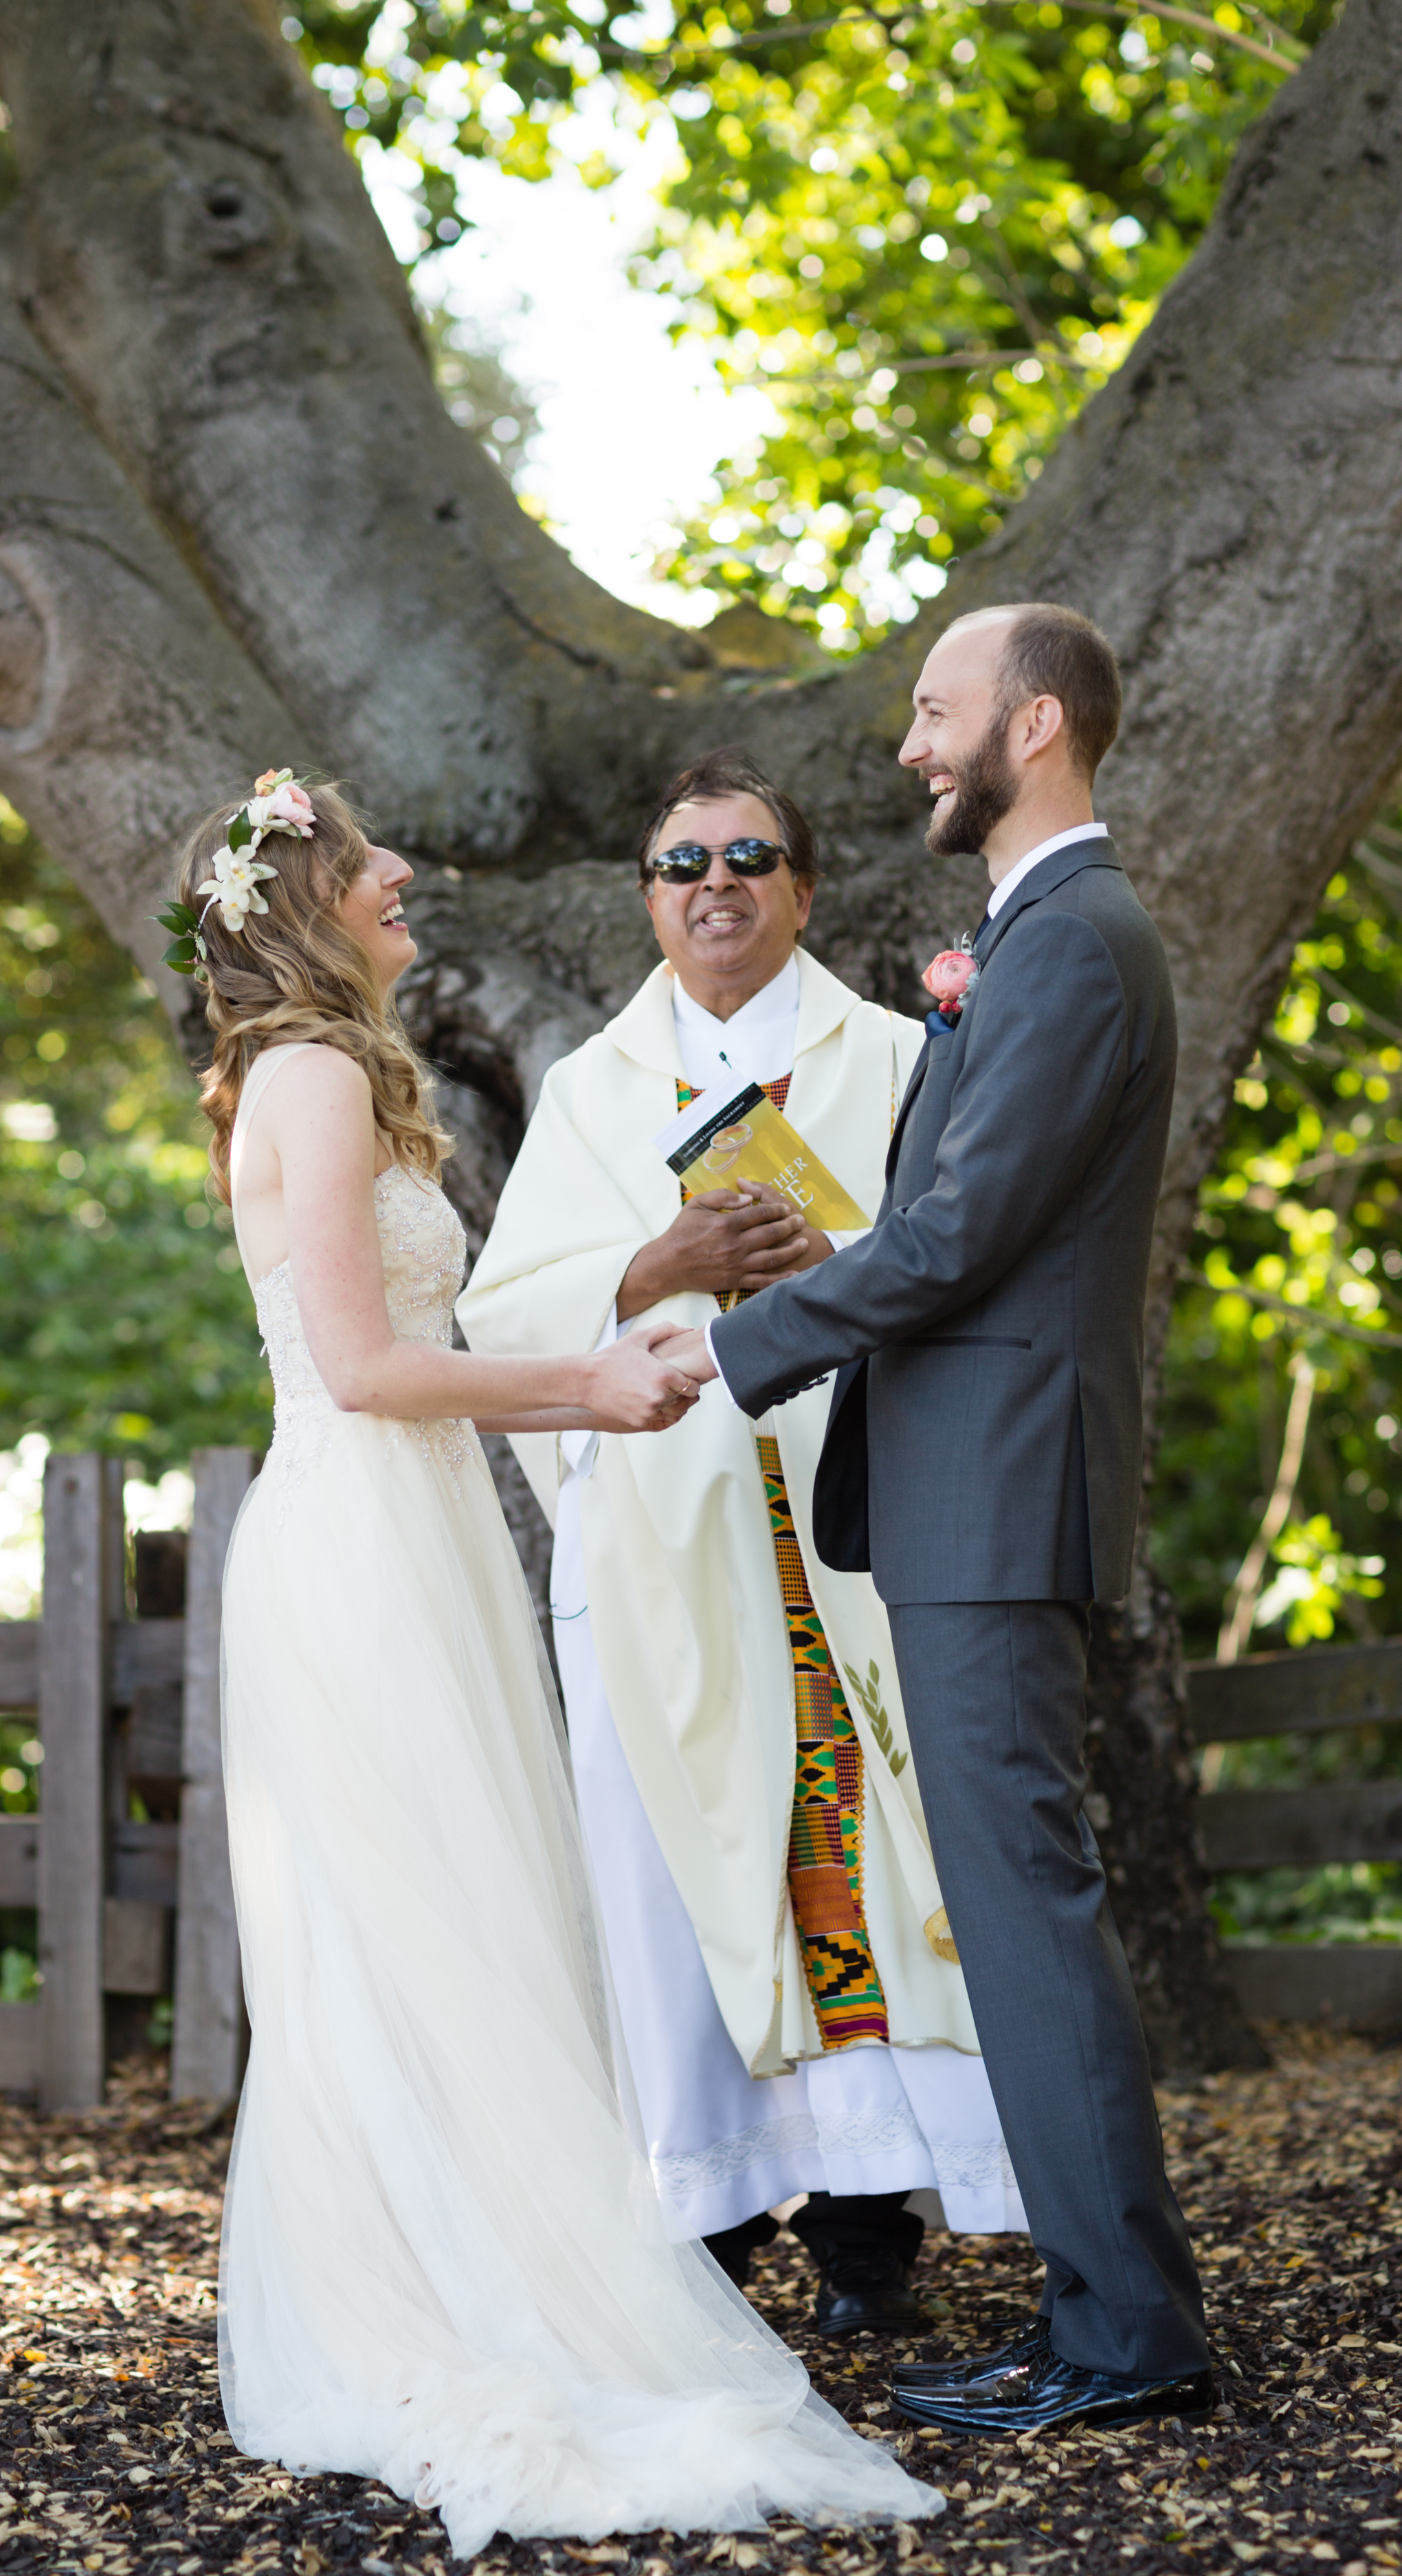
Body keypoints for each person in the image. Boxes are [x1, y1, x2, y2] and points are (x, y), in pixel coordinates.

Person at [168, 771, 940, 2553]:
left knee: (463, 1919)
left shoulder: (333, 1071)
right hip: (359, 1537)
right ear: (308, 895)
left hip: (406, 1533)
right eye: (371, 860)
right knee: (419, 1926)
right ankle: (448, 2302)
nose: (404, 873)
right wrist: (594, 1381)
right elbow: (359, 1367)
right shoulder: (302, 1075)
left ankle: (480, 2260)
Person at [658, 608, 1215, 2440]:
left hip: (999, 1495)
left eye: (936, 710)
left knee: (1027, 1911)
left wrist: (736, 1344)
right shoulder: (1040, 938)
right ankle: (1105, 2312)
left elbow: (967, 1236)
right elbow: (969, 1227)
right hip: (970, 1489)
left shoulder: (1071, 942)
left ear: (1032, 725)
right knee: (1016, 1903)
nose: (911, 744)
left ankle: (1125, 2334)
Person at [460, 748, 1027, 2338]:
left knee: (859, 1859)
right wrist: (655, 1263)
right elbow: (503, 1317)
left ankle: (865, 2232)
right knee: (673, 1869)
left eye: (746, 856)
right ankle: (707, 2213)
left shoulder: (902, 1060)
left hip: (848, 1520)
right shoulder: (588, 1089)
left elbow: (973, 1260)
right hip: (667, 1540)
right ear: (647, 898)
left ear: (802, 887)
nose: (713, 883)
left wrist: (831, 1262)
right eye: (680, 862)